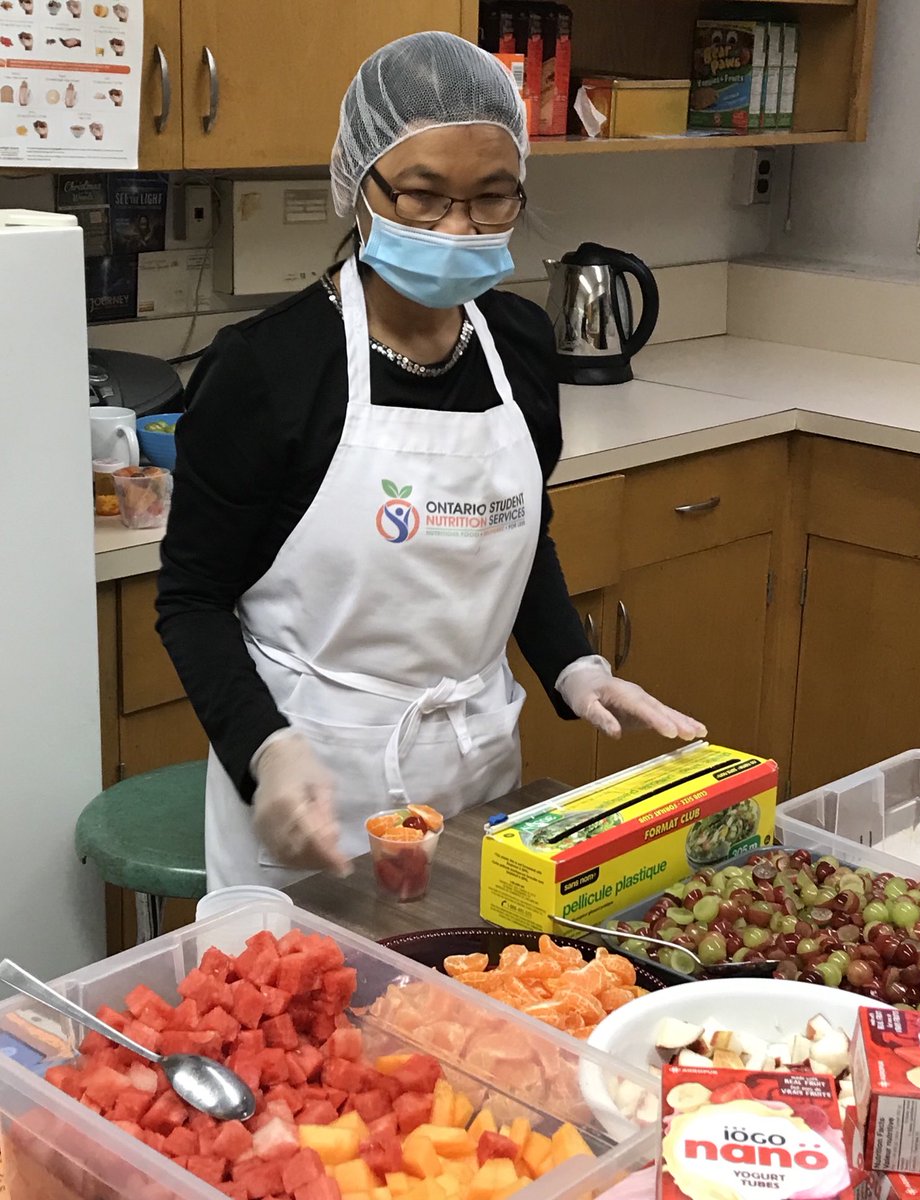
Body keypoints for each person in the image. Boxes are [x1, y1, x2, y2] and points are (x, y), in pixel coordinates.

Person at [156, 31, 706, 891]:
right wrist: (263, 750)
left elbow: (516, 542)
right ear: (358, 187)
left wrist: (574, 664)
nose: (458, 228)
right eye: (421, 197)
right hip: (313, 783)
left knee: (467, 1008)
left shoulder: (519, 344)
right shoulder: (269, 368)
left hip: (477, 765)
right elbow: (191, 599)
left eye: (492, 198)